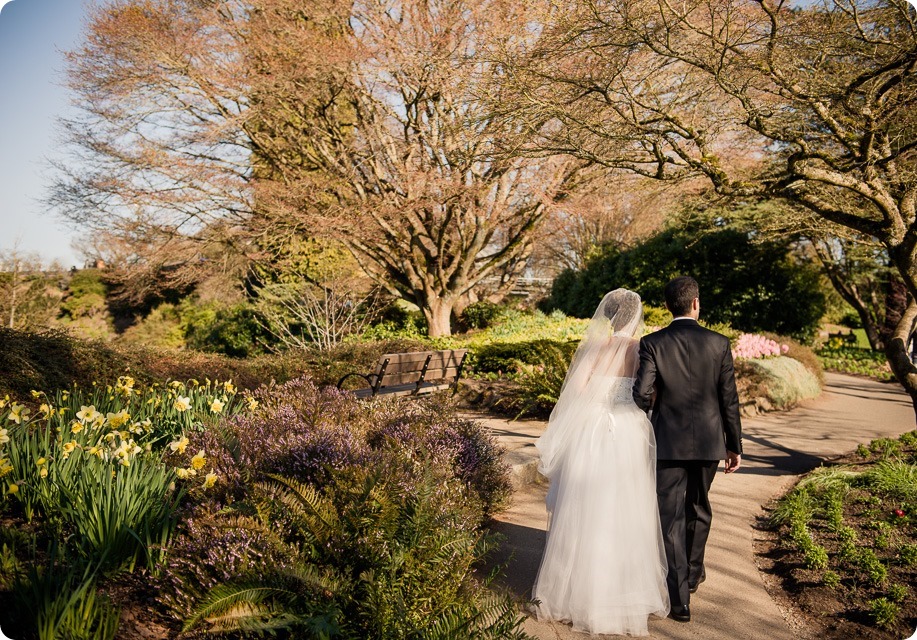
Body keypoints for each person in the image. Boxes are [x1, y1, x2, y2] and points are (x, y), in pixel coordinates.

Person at [532, 289, 669, 636]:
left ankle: (573, 594)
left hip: (593, 428)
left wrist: (598, 392)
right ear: (636, 318)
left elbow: (576, 390)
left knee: (584, 506)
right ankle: (621, 594)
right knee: (626, 507)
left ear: (609, 318)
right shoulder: (642, 349)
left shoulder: (597, 348)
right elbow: (647, 391)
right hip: (627, 427)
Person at [632, 276, 743, 623]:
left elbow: (640, 394)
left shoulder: (653, 342)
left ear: (669, 306)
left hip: (667, 441)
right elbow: (729, 399)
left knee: (670, 518)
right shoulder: (719, 343)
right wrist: (734, 445)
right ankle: (692, 576)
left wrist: (659, 402)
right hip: (711, 442)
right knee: (700, 507)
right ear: (696, 303)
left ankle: (679, 599)